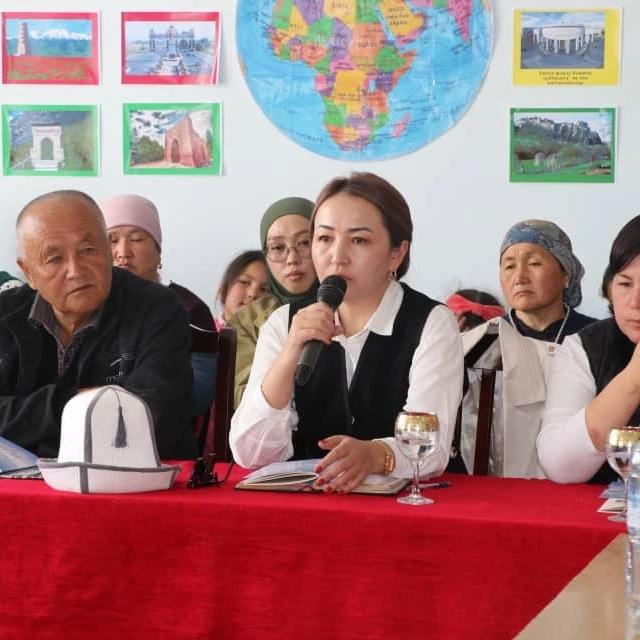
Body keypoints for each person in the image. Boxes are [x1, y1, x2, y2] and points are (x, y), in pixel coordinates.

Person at [230, 172, 463, 493]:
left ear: (397, 252)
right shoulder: (284, 323)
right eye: (325, 239)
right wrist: (290, 353)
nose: (337, 256)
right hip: (308, 505)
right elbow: (250, 454)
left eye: (358, 240)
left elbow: (431, 448)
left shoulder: (431, 323)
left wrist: (375, 455)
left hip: (405, 508)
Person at [0, 190, 196, 459]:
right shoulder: (5, 313)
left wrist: (28, 422)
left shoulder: (158, 308)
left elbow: (153, 421)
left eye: (88, 250)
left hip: (131, 478)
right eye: (55, 258)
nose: (76, 270)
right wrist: (84, 403)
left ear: (107, 248)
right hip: (17, 479)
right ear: (28, 273)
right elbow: (122, 417)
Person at [459, 219, 597, 478]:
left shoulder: (596, 340)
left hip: (581, 487)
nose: (520, 277)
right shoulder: (480, 344)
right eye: (509, 266)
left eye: (534, 263)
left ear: (565, 274)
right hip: (497, 489)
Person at [538, 215, 640, 483]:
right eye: (625, 284)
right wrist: (632, 380)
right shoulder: (584, 347)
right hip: (605, 507)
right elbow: (559, 466)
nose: (635, 302)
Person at [100, 194, 216, 417]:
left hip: (160, 428)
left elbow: (199, 393)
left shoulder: (189, 309)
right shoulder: (84, 307)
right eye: (111, 240)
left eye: (136, 239)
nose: (123, 252)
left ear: (158, 251)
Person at [228, 196, 318, 407]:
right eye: (278, 247)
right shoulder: (247, 322)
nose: (292, 259)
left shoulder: (350, 306)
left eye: (304, 243)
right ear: (266, 256)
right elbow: (245, 398)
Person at [215, 250, 268, 330]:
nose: (253, 294)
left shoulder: (277, 336)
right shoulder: (201, 332)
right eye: (244, 282)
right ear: (224, 287)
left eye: (264, 289)